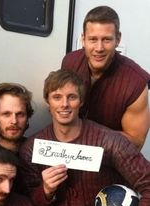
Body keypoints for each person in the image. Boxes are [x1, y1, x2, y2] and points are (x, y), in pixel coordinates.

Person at [19, 69, 150, 206]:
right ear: (47, 102)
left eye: (72, 97)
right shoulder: (33, 148)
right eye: (57, 97)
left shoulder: (109, 142)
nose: (64, 104)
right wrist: (45, 191)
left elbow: (148, 183)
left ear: (81, 101)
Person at [61, 5, 150, 150]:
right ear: (83, 39)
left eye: (107, 40)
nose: (99, 48)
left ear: (118, 39)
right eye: (93, 39)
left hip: (111, 161)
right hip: (70, 151)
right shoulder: (70, 62)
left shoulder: (136, 82)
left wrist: (86, 134)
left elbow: (135, 142)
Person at [0, 82, 34, 153]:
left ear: (27, 117)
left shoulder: (36, 151)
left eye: (20, 114)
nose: (14, 121)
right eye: (6, 114)